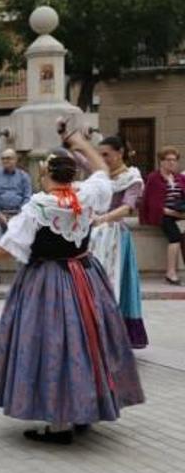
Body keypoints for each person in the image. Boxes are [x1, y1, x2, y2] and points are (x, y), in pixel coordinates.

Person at [0, 131, 144, 445]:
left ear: (46, 173)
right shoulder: (86, 194)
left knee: (53, 346)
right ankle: (83, 410)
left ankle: (59, 426)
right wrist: (82, 144)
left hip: (48, 282)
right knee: (87, 345)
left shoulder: (40, 206)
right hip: (86, 277)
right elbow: (103, 172)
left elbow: (11, 244)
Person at [87, 137, 146, 348]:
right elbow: (80, 158)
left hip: (115, 237)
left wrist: (103, 219)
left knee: (115, 284)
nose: (103, 159)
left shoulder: (132, 178)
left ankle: (113, 337)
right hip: (95, 235)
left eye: (106, 154)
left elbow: (128, 207)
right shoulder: (101, 176)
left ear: (120, 153)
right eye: (100, 154)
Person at [0, 149, 32, 287]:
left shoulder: (24, 176)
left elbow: (28, 196)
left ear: (15, 160)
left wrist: (18, 216)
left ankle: (20, 276)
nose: (6, 161)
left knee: (19, 243)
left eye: (9, 158)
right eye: (4, 158)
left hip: (18, 214)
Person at [140, 147, 185, 285]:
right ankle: (170, 273)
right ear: (161, 162)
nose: (172, 163)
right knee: (175, 237)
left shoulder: (179, 178)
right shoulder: (154, 178)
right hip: (163, 214)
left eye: (174, 160)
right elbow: (154, 205)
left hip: (179, 213)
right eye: (168, 160)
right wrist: (175, 213)